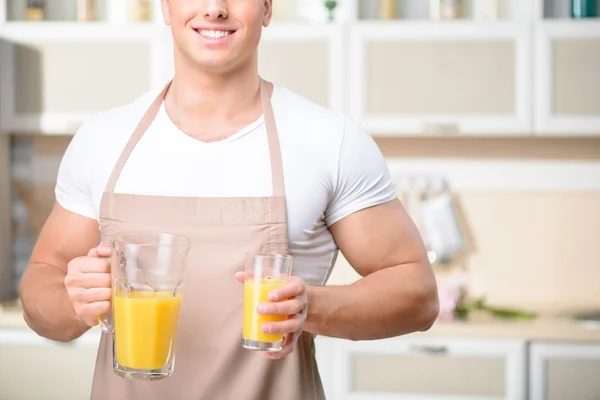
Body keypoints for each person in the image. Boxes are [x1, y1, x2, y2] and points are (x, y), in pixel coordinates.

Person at [18, 0, 439, 399]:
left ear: (268, 8)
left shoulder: (330, 141)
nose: (216, 7)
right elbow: (41, 287)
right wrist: (73, 304)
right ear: (166, 6)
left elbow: (417, 296)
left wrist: (310, 307)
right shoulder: (101, 140)